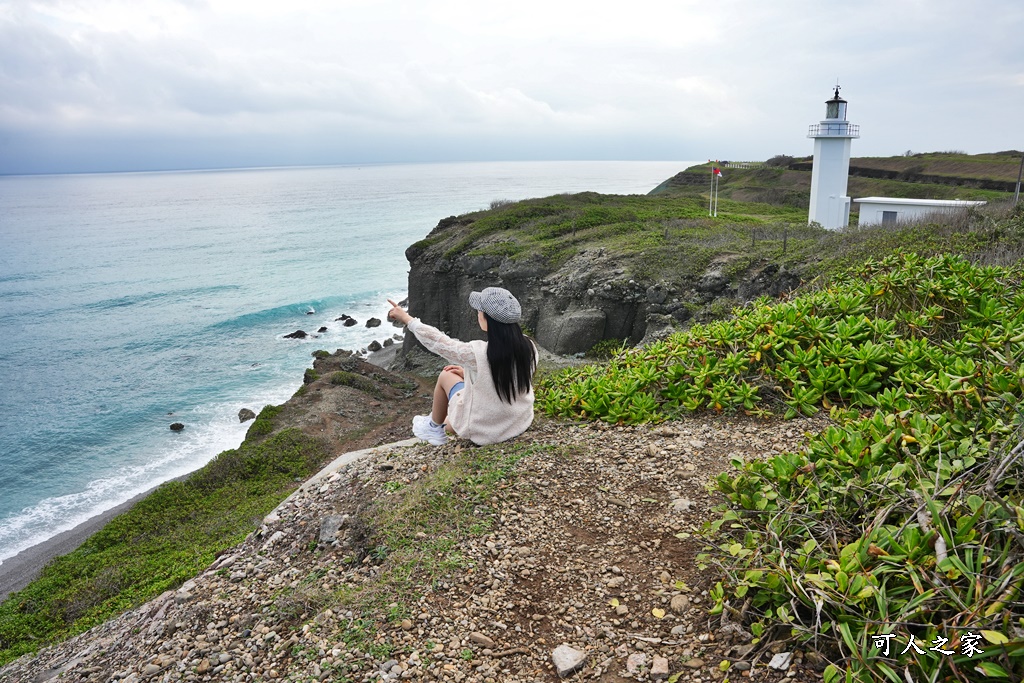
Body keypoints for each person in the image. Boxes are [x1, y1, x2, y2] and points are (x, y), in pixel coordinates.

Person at [387, 287, 536, 446]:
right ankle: (440, 423)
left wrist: (407, 319)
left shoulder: (477, 354)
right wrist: (468, 373)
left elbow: (438, 342)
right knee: (450, 421)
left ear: (487, 319)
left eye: (480, 311)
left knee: (445, 377)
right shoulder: (529, 347)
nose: (478, 314)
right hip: (517, 420)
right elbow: (506, 376)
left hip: (485, 429)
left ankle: (433, 427)